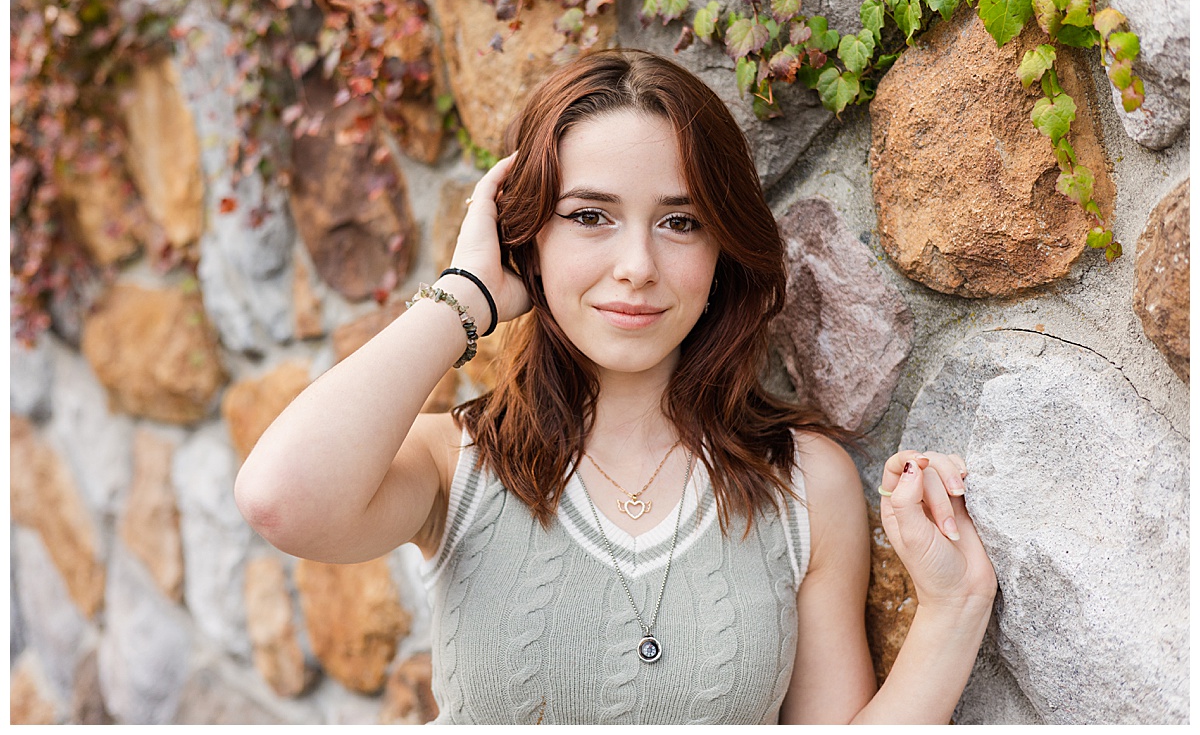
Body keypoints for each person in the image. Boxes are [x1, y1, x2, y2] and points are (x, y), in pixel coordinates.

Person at [235, 48, 997, 724]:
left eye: (680, 222)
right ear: (528, 234)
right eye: (590, 215)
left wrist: (954, 605)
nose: (637, 263)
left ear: (721, 250)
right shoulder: (458, 463)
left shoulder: (801, 485)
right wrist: (466, 297)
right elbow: (282, 499)